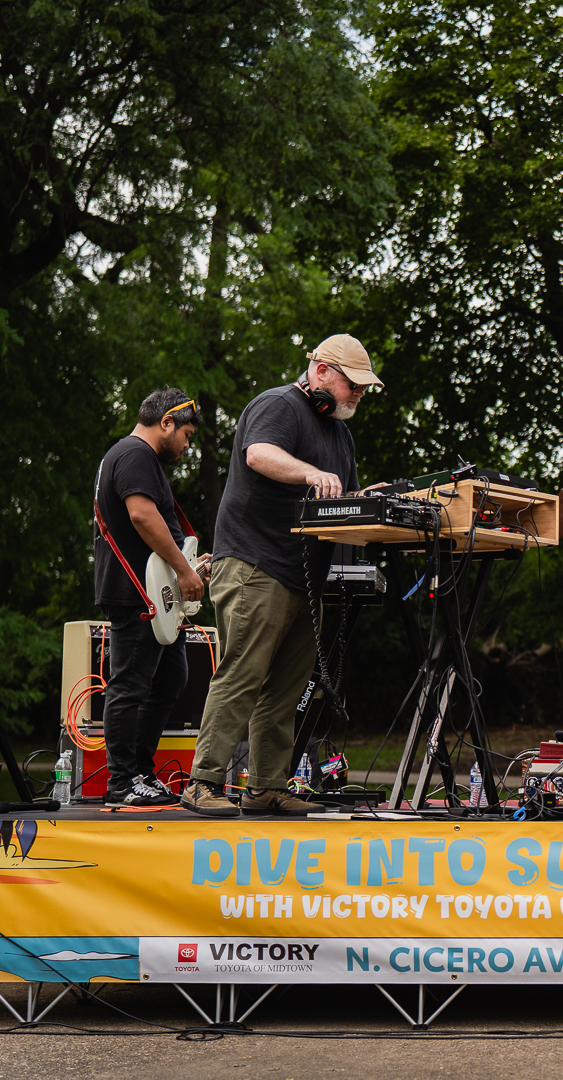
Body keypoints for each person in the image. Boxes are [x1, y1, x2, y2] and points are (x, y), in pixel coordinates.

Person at [182, 335, 384, 817]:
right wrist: (311, 473)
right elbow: (260, 455)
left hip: (303, 579)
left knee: (287, 687)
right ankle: (202, 781)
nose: (357, 394)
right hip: (255, 565)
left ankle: (266, 786)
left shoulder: (340, 435)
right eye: (351, 384)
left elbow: (346, 503)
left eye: (362, 388)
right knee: (243, 674)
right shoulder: (279, 404)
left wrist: (382, 504)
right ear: (320, 371)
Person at [93, 388, 209, 807]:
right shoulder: (135, 455)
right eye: (187, 434)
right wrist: (183, 570)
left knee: (170, 678)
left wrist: (190, 564)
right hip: (137, 595)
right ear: (166, 423)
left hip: (156, 597)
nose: (187, 443)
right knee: (130, 686)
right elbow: (141, 514)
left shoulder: (131, 458)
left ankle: (139, 772)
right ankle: (122, 781)